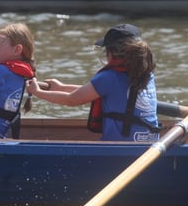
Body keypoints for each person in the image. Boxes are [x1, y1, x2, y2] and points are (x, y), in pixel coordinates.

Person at [26, 23, 161, 142]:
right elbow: (95, 91)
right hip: (148, 144)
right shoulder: (146, 74)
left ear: (111, 53)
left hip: (120, 147)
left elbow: (71, 100)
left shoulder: (108, 77)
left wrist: (38, 92)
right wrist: (61, 87)